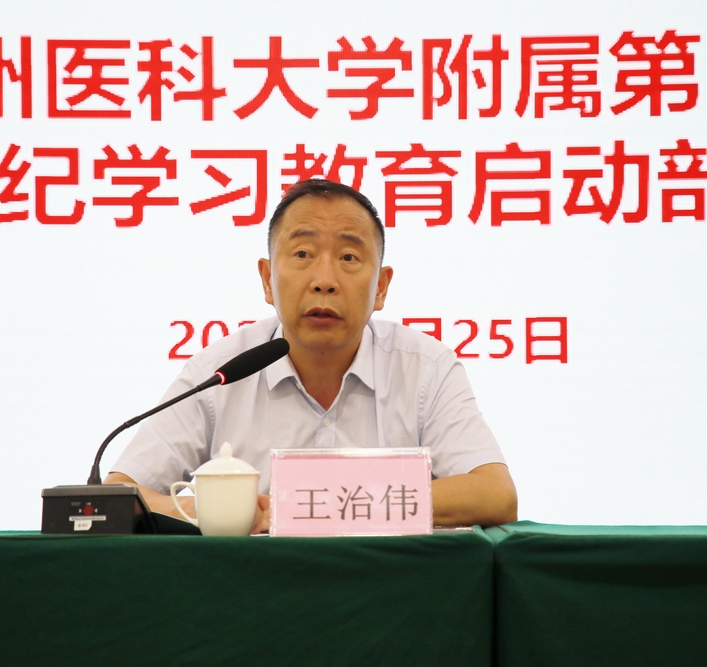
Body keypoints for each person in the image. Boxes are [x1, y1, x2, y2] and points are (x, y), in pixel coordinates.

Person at [105, 179, 518, 532]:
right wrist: (205, 510)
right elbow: (118, 494)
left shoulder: (425, 369)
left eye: (349, 257)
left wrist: (300, 504)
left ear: (380, 287)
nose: (324, 280)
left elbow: (495, 494)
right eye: (302, 254)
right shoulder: (220, 372)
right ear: (267, 279)